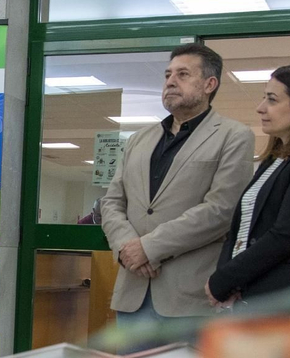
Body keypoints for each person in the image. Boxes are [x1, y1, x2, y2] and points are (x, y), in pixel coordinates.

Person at [99, 44, 255, 319]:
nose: (171, 81)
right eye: (168, 74)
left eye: (183, 74)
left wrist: (148, 248)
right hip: (132, 291)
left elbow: (221, 209)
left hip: (191, 297)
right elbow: (112, 201)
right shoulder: (138, 140)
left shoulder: (234, 135)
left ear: (209, 84)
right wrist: (126, 247)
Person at [207, 61, 290, 308]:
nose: (260, 108)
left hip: (279, 298)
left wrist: (224, 279)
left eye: (272, 100)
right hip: (248, 293)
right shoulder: (275, 158)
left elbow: (286, 235)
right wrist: (230, 280)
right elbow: (242, 227)